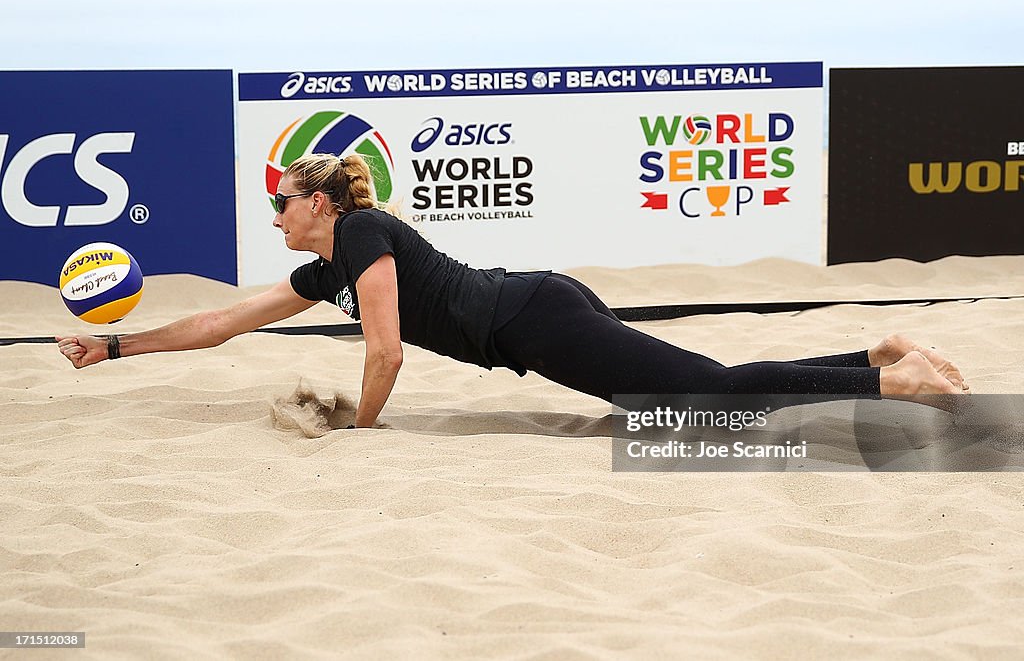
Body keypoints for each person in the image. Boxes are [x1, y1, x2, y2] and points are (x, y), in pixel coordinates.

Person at [56, 153, 967, 428]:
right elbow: (223, 320)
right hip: (535, 315)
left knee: (699, 403)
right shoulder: (318, 269)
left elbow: (386, 350)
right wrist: (116, 345)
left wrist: (364, 430)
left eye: (282, 203)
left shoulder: (363, 233)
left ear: (321, 203)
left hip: (534, 319)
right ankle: (880, 354)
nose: (276, 217)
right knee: (705, 387)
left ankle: (895, 383)